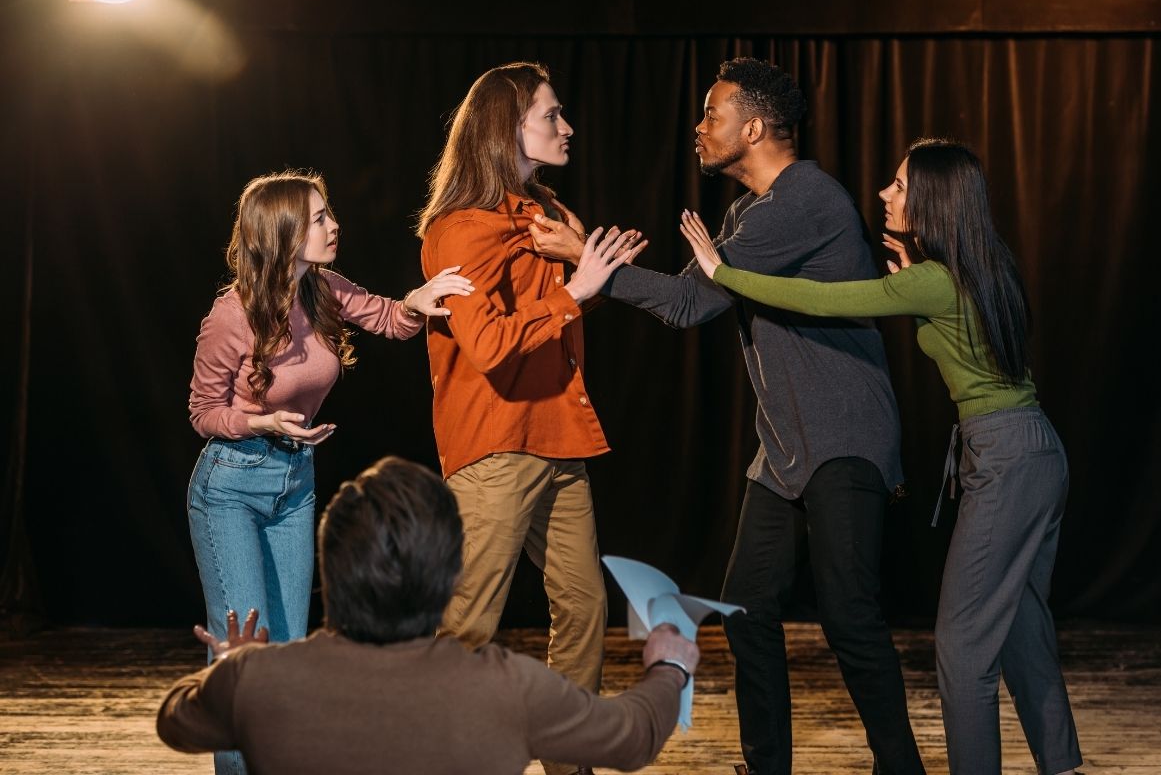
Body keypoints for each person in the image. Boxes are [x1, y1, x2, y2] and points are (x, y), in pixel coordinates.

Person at [532, 57, 924, 775]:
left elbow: (689, 303)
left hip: (844, 437)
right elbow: (686, 296)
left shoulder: (807, 201)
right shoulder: (747, 212)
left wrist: (587, 261)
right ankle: (766, 765)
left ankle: (903, 768)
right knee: (748, 608)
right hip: (782, 451)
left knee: (850, 618)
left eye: (711, 114)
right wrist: (593, 262)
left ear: (752, 126)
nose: (699, 126)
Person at [682, 138, 1083, 775]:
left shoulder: (933, 280)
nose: (883, 195)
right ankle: (1060, 763)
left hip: (1005, 458)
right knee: (1022, 623)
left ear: (934, 198)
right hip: (1033, 450)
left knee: (963, 643)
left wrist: (721, 272)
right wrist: (910, 284)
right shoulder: (982, 266)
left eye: (898, 186)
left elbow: (823, 300)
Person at [158, 456, 701, 775]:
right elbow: (632, 736)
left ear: (333, 566)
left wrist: (228, 667)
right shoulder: (506, 686)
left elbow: (176, 721)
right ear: (450, 579)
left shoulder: (260, 682)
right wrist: (670, 668)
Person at [187, 171, 472, 775]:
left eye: (329, 213)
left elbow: (390, 318)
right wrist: (261, 424)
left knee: (286, 652)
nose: (333, 224)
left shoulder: (321, 289)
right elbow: (203, 412)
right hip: (230, 487)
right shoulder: (230, 314)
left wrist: (418, 303)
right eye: (318, 217)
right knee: (245, 653)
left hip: (294, 487)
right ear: (282, 231)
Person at [416, 62, 643, 775]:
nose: (566, 127)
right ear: (504, 129)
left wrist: (590, 272)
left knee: (584, 610)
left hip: (557, 437)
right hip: (496, 442)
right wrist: (578, 287)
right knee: (469, 621)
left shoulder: (543, 216)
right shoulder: (460, 231)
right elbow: (488, 346)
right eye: (551, 115)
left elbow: (561, 316)